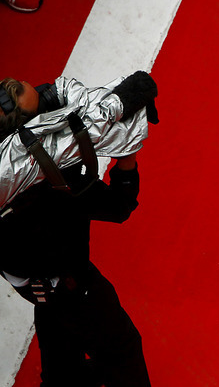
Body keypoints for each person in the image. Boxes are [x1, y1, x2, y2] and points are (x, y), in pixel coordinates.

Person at [0, 73, 157, 386]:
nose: (49, 97)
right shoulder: (55, 178)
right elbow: (118, 206)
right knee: (122, 354)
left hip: (37, 287)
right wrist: (127, 149)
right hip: (72, 287)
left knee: (62, 368)